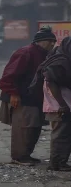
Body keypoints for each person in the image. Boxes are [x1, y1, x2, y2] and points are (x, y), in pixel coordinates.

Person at [0, 26, 56, 166]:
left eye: (53, 41)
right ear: (40, 41)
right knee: (23, 128)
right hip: (21, 97)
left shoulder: (45, 54)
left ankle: (26, 155)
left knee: (34, 128)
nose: (52, 44)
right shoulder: (25, 53)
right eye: (49, 41)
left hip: (34, 97)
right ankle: (18, 157)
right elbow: (8, 77)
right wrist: (13, 93)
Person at [30, 37, 71, 171]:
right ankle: (57, 164)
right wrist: (62, 104)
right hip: (59, 105)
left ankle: (60, 162)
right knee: (61, 135)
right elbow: (51, 81)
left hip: (61, 103)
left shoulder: (61, 58)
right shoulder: (60, 61)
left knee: (63, 134)